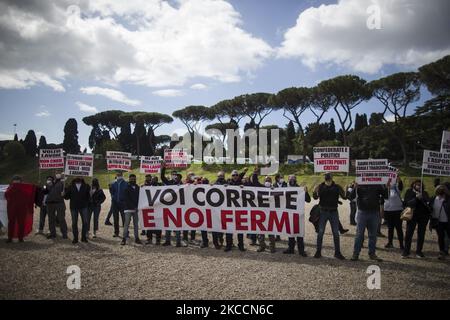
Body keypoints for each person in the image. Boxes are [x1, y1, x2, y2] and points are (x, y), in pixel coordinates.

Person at [350, 181, 389, 262]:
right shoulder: (359, 183)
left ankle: (372, 254)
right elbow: (350, 197)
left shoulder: (378, 184)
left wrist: (386, 187)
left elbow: (386, 196)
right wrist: (355, 187)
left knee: (373, 235)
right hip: (362, 212)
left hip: (374, 213)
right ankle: (355, 254)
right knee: (359, 234)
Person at [312, 173, 346, 260]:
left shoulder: (337, 187)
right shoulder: (320, 186)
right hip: (323, 211)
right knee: (320, 232)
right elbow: (315, 198)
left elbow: (344, 197)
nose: (327, 179)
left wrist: (345, 190)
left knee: (336, 233)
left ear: (331, 178)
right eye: (327, 177)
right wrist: (314, 191)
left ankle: (337, 252)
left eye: (329, 177)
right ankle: (318, 251)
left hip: (334, 212)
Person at [402, 180, 431, 258]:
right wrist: (416, 198)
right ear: (413, 185)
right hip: (412, 216)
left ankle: (419, 251)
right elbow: (407, 203)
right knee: (409, 234)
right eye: (417, 184)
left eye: (420, 185)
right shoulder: (409, 192)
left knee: (421, 234)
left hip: (423, 216)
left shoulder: (425, 193)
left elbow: (428, 203)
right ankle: (406, 252)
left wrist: (422, 198)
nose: (418, 186)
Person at [160, 162, 187, 247]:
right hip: (169, 206)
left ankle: (178, 242)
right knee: (168, 224)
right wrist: (163, 168)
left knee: (177, 225)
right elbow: (162, 178)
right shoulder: (169, 183)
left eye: (176, 175)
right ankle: (168, 241)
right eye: (174, 174)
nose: (175, 176)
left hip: (178, 207)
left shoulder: (182, 185)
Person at [283, 175, 310, 256]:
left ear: (296, 180)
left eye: (294, 179)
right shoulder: (284, 189)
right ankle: (291, 248)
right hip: (288, 212)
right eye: (290, 179)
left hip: (298, 214)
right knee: (290, 231)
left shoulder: (300, 189)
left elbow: (308, 200)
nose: (292, 180)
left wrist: (306, 191)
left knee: (299, 232)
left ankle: (301, 250)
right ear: (288, 180)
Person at [4, 176, 36, 243]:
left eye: (17, 180)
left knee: (20, 223)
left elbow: (6, 195)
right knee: (13, 223)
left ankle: (19, 238)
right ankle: (12, 237)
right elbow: (6, 195)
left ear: (20, 181)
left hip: (19, 208)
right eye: (15, 180)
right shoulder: (11, 187)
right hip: (13, 208)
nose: (16, 182)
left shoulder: (20, 188)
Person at [224, 168, 248, 252]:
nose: (235, 176)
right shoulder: (228, 183)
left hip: (239, 209)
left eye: (236, 175)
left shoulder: (241, 183)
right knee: (229, 229)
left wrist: (243, 187)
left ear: (238, 176)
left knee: (240, 229)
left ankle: (240, 245)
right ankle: (228, 245)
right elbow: (217, 185)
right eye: (233, 175)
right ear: (231, 176)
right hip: (229, 209)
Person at [252, 172, 276, 253]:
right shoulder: (261, 187)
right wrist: (256, 172)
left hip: (271, 213)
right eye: (266, 180)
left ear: (271, 181)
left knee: (271, 231)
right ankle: (262, 245)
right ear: (264, 181)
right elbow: (255, 181)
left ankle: (272, 246)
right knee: (260, 231)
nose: (267, 181)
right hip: (261, 212)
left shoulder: (276, 189)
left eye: (269, 180)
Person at [64, 177, 91, 244]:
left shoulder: (87, 186)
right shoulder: (70, 186)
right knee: (74, 223)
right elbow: (67, 197)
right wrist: (64, 193)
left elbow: (88, 197)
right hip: (74, 207)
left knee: (85, 222)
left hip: (83, 206)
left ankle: (83, 237)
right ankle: (75, 238)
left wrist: (90, 195)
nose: (78, 177)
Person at [429, 185, 450, 260]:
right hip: (439, 222)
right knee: (441, 237)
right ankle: (442, 252)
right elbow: (429, 208)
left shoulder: (448, 199)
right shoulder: (433, 198)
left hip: (448, 222)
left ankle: (444, 251)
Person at [383, 176, 404, 249]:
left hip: (397, 210)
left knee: (399, 228)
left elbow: (401, 187)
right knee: (390, 228)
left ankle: (401, 244)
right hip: (388, 211)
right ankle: (390, 242)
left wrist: (399, 179)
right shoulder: (385, 188)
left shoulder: (396, 187)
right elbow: (383, 197)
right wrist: (386, 186)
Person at [46, 173, 68, 239]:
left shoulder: (63, 183)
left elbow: (66, 194)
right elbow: (45, 191)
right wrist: (44, 185)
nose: (58, 175)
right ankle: (53, 233)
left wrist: (64, 192)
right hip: (50, 203)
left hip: (59, 202)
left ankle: (64, 233)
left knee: (61, 218)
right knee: (51, 219)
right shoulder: (50, 182)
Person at [121, 174, 142, 245]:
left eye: (134, 179)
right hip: (128, 209)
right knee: (126, 224)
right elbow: (126, 199)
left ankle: (137, 238)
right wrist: (134, 207)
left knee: (136, 224)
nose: (133, 180)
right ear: (129, 179)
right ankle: (124, 238)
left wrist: (137, 207)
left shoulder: (138, 188)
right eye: (131, 179)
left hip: (136, 209)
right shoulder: (126, 188)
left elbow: (140, 198)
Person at [143, 174, 162, 245]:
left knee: (158, 224)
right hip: (150, 208)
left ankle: (158, 239)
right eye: (153, 180)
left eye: (155, 180)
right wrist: (142, 187)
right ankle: (149, 238)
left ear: (157, 181)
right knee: (149, 224)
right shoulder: (147, 187)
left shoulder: (161, 187)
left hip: (158, 208)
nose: (154, 181)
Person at [212, 171, 227, 249]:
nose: (221, 177)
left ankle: (220, 238)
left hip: (223, 208)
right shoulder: (214, 184)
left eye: (222, 176)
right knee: (214, 227)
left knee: (222, 225)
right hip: (214, 209)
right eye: (219, 176)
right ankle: (215, 242)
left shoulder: (227, 183)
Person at [110, 172, 127, 238]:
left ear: (122, 175)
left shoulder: (126, 183)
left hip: (123, 203)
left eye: (120, 174)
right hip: (115, 203)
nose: (119, 175)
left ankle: (125, 233)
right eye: (118, 174)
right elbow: (112, 192)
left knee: (124, 219)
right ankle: (116, 232)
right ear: (116, 175)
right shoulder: (113, 183)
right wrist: (111, 189)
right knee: (115, 218)